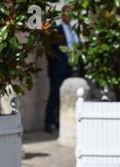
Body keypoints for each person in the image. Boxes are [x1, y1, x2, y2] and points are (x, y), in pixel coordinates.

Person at [45, 5, 79, 133]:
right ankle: (49, 122)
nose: (69, 16)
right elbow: (49, 50)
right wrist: (56, 63)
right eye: (67, 13)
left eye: (71, 13)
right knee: (54, 96)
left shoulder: (74, 30)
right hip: (58, 70)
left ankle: (60, 123)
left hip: (71, 68)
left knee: (67, 97)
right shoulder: (56, 31)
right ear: (63, 15)